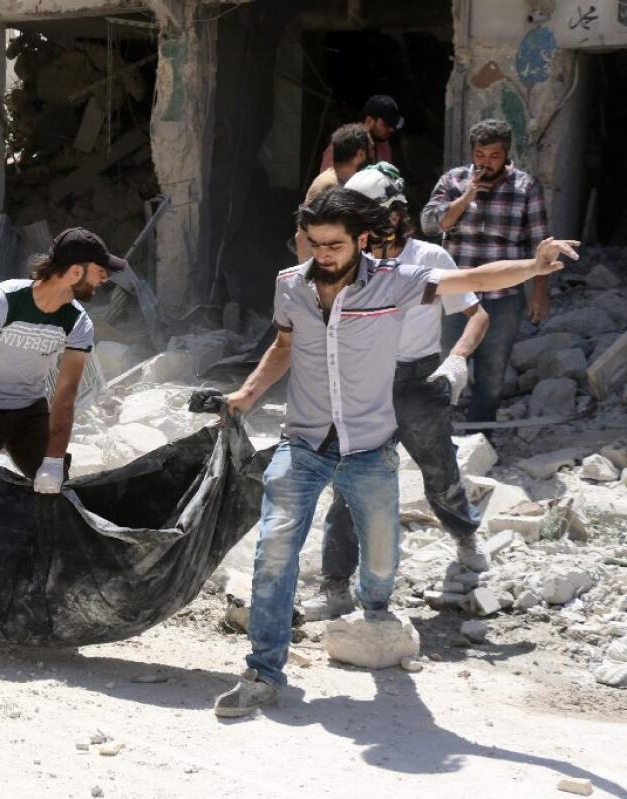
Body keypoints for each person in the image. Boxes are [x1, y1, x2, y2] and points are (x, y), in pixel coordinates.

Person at [211, 186, 577, 718]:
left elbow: (473, 280)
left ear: (360, 239)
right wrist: (246, 394)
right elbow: (284, 345)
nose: (323, 254)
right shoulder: (289, 287)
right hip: (305, 442)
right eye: (314, 243)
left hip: (369, 444)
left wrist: (534, 264)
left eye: (334, 244)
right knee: (275, 551)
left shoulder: (395, 283)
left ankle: (376, 607)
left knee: (380, 556)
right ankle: (263, 671)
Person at [301, 163, 492, 623]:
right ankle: (336, 586)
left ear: (396, 212)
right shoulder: (349, 264)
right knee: (347, 486)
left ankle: (466, 541)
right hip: (364, 385)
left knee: (439, 469)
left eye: (371, 216)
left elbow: (478, 315)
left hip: (419, 383)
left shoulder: (430, 259)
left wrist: (458, 359)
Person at [0, 228, 124, 493]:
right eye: (100, 270)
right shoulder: (2, 301)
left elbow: (65, 394)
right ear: (75, 272)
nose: (104, 277)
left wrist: (54, 460)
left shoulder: (78, 323)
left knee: (57, 488)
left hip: (29, 411)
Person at [420, 119, 550, 426]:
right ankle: (440, 437)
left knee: (491, 373)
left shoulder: (526, 187)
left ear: (506, 154)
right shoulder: (452, 181)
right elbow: (430, 224)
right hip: (455, 295)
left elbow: (539, 245)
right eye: (480, 154)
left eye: (494, 155)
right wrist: (466, 198)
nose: (486, 163)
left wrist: (540, 293)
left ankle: (481, 437)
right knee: (445, 365)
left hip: (502, 297)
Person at [297, 123, 372, 261]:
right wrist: (308, 280)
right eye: (371, 151)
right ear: (360, 154)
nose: (372, 157)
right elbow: (302, 237)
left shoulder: (350, 184)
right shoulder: (328, 185)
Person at [318, 94, 402, 173]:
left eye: (393, 125)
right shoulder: (342, 145)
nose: (391, 129)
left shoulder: (383, 145)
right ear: (369, 121)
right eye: (386, 124)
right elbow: (327, 182)